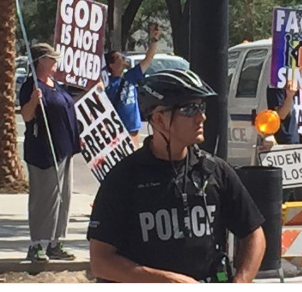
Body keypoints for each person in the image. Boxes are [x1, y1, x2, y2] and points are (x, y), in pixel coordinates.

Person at [88, 69, 267, 283]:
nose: (202, 117)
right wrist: (167, 282)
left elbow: (254, 234)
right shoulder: (125, 178)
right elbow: (100, 262)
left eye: (201, 107)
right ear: (159, 119)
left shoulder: (215, 170)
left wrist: (241, 281)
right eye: (189, 109)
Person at [19, 43, 81, 262]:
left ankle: (56, 242)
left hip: (64, 149)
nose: (56, 62)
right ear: (41, 61)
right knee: (44, 198)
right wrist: (34, 101)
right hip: (43, 151)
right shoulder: (31, 86)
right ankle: (37, 244)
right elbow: (26, 116)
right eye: (52, 59)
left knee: (64, 197)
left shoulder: (56, 85)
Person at [101, 24, 161, 147]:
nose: (123, 59)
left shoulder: (131, 76)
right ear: (111, 65)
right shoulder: (107, 84)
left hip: (133, 129)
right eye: (119, 58)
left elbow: (148, 58)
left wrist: (154, 39)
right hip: (117, 131)